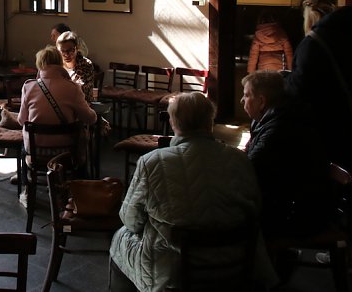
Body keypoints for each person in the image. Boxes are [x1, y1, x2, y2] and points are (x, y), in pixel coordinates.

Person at [109, 92, 273, 292]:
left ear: (173, 122)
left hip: (174, 271)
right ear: (210, 121)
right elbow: (255, 208)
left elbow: (130, 219)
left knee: (121, 237)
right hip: (235, 260)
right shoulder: (239, 159)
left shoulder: (152, 162)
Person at [283, 0, 352, 167]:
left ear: (308, 12)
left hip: (321, 129)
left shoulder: (313, 43)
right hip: (351, 126)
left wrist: (285, 80)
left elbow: (300, 88)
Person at [242, 71, 333, 240]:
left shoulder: (280, 126)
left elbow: (249, 168)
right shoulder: (274, 116)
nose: (242, 100)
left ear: (261, 101)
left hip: (296, 213)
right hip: (288, 201)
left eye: (246, 95)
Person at [17, 46, 97, 153]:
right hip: (66, 151)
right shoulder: (73, 88)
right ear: (60, 63)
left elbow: (21, 120)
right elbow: (90, 119)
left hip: (35, 150)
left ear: (40, 65)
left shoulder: (28, 87)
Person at [56, 31, 95, 104]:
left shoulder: (86, 64)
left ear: (77, 48)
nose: (66, 55)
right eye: (62, 51)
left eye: (70, 50)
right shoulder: (57, 64)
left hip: (81, 104)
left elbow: (83, 91)